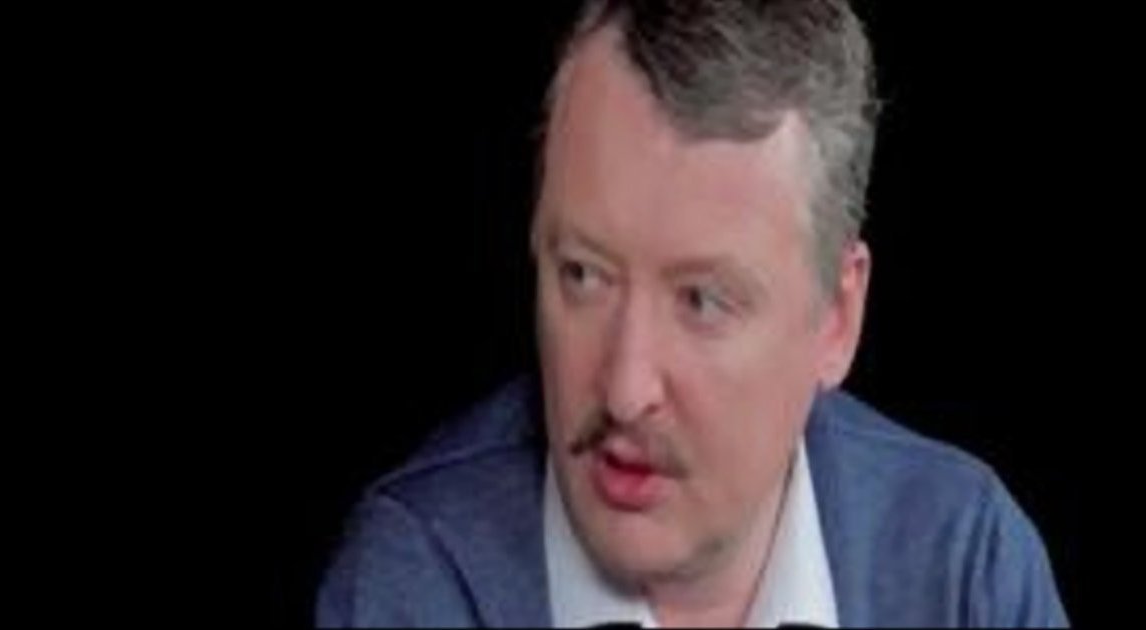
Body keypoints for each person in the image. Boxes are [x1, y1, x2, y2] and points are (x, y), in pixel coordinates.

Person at [316, 0, 1069, 626]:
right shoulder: (416, 577)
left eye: (701, 301)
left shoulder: (964, 565)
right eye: (583, 275)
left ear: (836, 318)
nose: (624, 390)